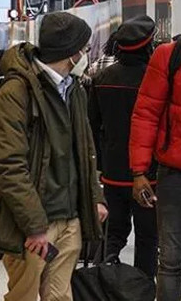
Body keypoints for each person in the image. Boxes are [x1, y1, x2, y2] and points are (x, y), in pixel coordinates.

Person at [0, 12, 107, 301]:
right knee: (23, 295)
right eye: (84, 49)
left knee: (60, 296)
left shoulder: (74, 89)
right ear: (71, 52)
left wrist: (95, 196)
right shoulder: (15, 92)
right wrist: (34, 226)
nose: (86, 54)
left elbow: (85, 148)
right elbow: (8, 166)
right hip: (33, 223)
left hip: (70, 217)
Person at [89, 15, 157, 278]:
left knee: (113, 234)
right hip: (148, 173)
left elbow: (92, 123)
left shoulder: (102, 77)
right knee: (147, 237)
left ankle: (105, 280)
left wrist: (99, 163)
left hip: (113, 171)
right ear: (148, 45)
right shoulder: (153, 80)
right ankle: (143, 286)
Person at [131, 31, 181, 300]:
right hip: (174, 175)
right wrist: (138, 171)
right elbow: (145, 114)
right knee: (171, 260)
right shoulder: (168, 56)